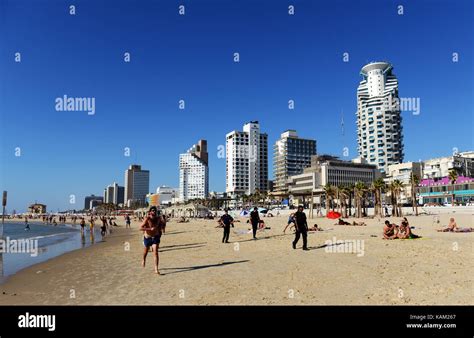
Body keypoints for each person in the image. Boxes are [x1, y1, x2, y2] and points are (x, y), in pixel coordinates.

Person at [140, 206, 166, 274]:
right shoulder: (147, 219)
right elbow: (140, 228)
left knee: (155, 252)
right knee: (145, 252)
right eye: (152, 210)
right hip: (148, 237)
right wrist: (149, 229)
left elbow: (161, 226)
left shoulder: (158, 219)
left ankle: (156, 269)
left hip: (155, 237)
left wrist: (161, 228)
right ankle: (143, 259)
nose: (154, 211)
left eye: (155, 210)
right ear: (150, 212)